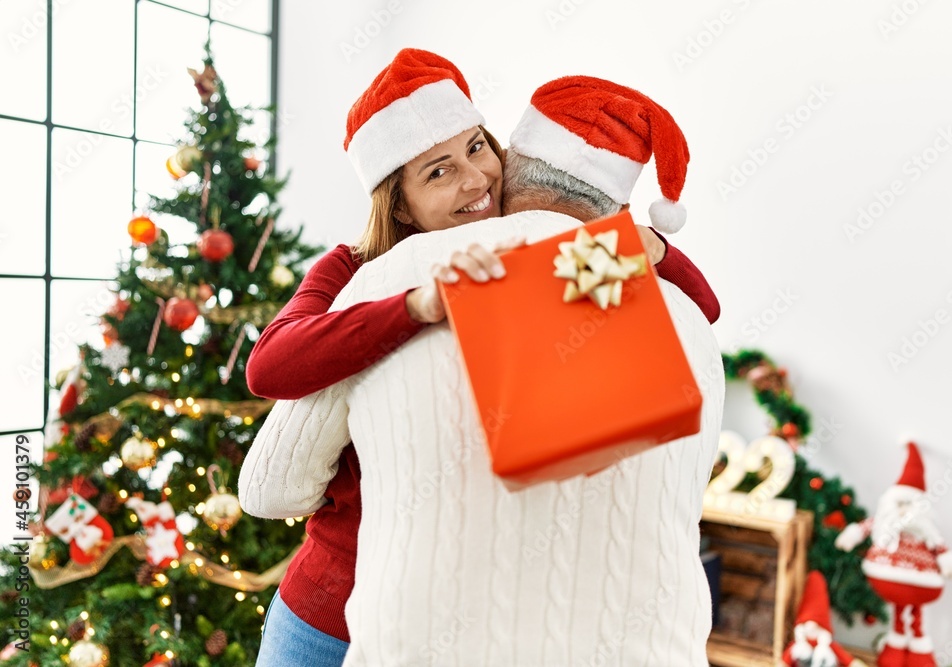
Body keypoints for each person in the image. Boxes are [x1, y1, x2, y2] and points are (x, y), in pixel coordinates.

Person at [247, 53, 720, 666]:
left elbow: (701, 307)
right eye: (439, 172)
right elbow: (269, 366)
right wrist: (414, 307)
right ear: (398, 205)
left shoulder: (537, 263)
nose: (476, 180)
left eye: (477, 148)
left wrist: (649, 248)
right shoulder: (356, 271)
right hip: (330, 609)